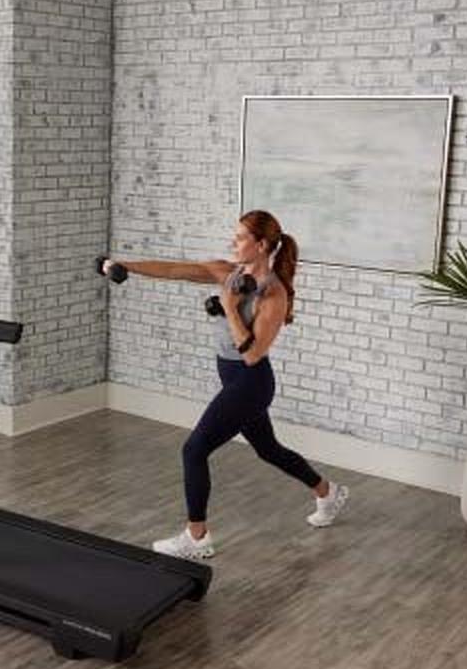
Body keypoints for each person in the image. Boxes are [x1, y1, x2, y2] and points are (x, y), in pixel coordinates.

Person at [102, 210, 349, 561]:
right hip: (231, 377)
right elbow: (173, 270)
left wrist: (230, 309)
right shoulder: (227, 273)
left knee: (194, 450)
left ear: (261, 245)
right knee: (268, 449)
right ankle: (328, 492)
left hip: (251, 382)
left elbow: (253, 355)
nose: (233, 241)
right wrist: (123, 264)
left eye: (241, 237)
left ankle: (197, 537)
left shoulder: (273, 295)